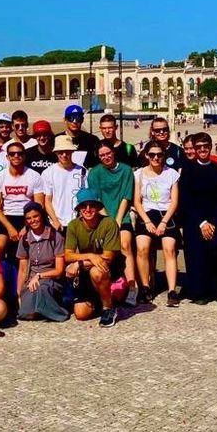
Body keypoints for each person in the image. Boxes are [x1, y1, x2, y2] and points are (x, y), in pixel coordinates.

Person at [179, 133, 217, 305]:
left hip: (216, 220)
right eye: (199, 147)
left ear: (210, 147)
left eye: (205, 146)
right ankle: (200, 292)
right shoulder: (187, 171)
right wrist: (202, 223)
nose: (202, 149)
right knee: (197, 255)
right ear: (195, 149)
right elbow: (186, 200)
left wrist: (213, 222)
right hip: (195, 221)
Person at [64, 188, 126, 327]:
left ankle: (108, 308)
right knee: (80, 314)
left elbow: (108, 257)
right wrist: (90, 256)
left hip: (108, 270)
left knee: (97, 271)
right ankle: (100, 300)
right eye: (83, 206)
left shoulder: (109, 223)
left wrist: (79, 263)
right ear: (79, 209)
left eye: (92, 205)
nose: (88, 209)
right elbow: (68, 255)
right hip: (87, 270)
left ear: (98, 207)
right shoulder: (73, 225)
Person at [87, 139, 137, 305]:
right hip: (102, 216)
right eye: (102, 155)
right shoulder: (94, 173)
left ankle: (132, 288)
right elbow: (97, 200)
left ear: (113, 152)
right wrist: (109, 222)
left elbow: (126, 196)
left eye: (108, 153)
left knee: (125, 244)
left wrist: (117, 221)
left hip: (122, 215)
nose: (106, 157)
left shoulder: (126, 170)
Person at [133, 140, 180, 306]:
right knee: (142, 248)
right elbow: (137, 201)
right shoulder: (139, 174)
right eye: (152, 154)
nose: (156, 158)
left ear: (163, 156)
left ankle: (172, 290)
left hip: (166, 214)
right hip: (147, 213)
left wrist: (164, 222)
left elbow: (174, 201)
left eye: (159, 155)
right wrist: (146, 221)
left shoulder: (171, 174)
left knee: (169, 249)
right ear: (147, 155)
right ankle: (145, 287)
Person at [16, 202, 69, 322]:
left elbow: (59, 270)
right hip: (31, 281)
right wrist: (19, 293)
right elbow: (23, 269)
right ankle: (42, 309)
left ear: (42, 216)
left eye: (35, 216)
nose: (33, 220)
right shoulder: (25, 239)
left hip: (51, 279)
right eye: (29, 218)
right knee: (26, 314)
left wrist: (39, 276)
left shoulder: (55, 236)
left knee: (42, 289)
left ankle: (57, 313)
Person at [0, 143, 45, 257]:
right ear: (7, 157)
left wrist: (26, 227)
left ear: (24, 156)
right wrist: (9, 228)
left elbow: (39, 205)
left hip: (28, 216)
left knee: (26, 248)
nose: (16, 156)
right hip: (7, 216)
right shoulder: (0, 176)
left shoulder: (34, 176)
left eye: (19, 153)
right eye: (12, 154)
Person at [41, 135, 87, 233]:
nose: (64, 155)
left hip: (78, 222)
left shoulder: (82, 171)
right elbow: (47, 200)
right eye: (60, 152)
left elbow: (85, 198)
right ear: (56, 153)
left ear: (72, 152)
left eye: (67, 151)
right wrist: (55, 221)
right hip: (57, 224)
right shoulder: (48, 173)